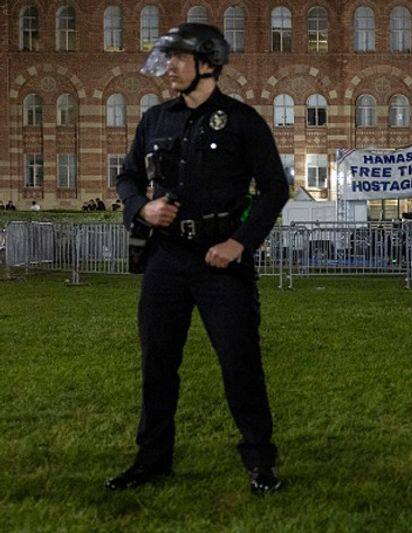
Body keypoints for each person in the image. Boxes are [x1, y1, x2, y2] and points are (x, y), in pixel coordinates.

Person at [107, 23, 289, 496]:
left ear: (207, 64)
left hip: (220, 263)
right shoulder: (155, 120)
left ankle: (260, 460)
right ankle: (151, 460)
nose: (168, 68)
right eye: (167, 59)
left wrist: (241, 243)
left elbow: (274, 188)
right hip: (166, 259)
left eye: (178, 58)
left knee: (239, 361)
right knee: (158, 363)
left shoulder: (242, 121)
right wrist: (140, 208)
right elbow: (127, 178)